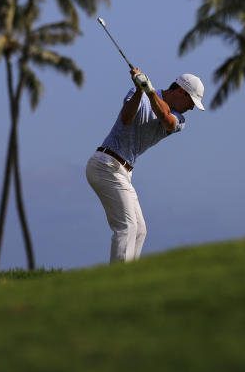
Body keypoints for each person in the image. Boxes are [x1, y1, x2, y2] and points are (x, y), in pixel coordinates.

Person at [86, 68, 205, 263]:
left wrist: (149, 91)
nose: (192, 108)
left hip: (123, 171)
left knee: (140, 230)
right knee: (127, 227)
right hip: (105, 164)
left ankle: (130, 278)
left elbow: (166, 120)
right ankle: (118, 283)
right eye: (191, 102)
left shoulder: (180, 119)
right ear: (181, 92)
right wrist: (141, 90)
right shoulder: (137, 93)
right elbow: (126, 118)